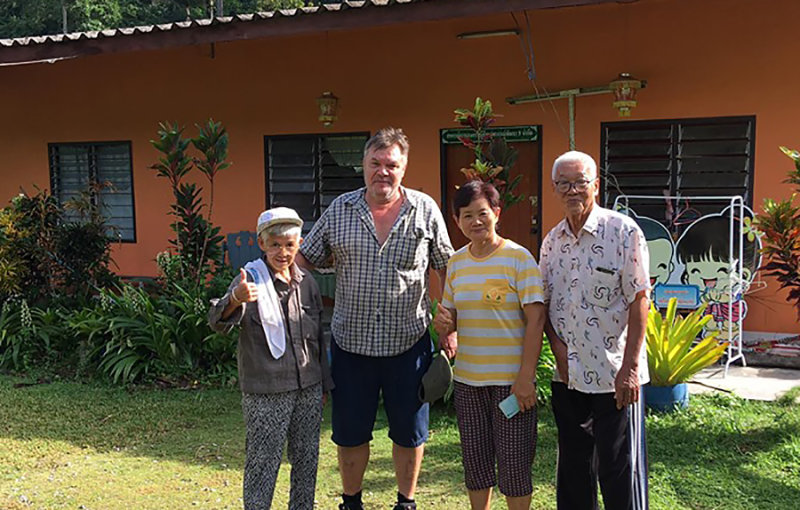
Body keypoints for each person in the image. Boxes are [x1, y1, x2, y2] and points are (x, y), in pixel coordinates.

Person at [297, 127, 454, 510]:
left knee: (410, 433)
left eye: (392, 165)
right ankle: (351, 502)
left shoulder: (424, 209)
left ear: (404, 168)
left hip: (409, 344)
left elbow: (448, 268)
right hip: (351, 346)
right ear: (363, 165)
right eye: (375, 163)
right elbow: (305, 258)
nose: (383, 171)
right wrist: (285, 298)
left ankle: (406, 502)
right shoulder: (341, 209)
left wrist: (452, 326)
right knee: (350, 434)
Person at [539, 151, 650, 510]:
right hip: (567, 374)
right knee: (573, 467)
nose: (572, 190)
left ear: (596, 186)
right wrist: (558, 353)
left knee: (618, 468)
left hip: (613, 374)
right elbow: (544, 305)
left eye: (580, 182)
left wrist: (630, 369)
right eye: (563, 184)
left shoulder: (623, 231)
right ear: (555, 189)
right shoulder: (551, 242)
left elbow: (639, 300)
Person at [208, 207, 332, 510]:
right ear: (261, 244)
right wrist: (235, 299)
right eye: (275, 244)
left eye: (289, 245)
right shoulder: (250, 279)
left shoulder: (307, 284)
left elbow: (318, 336)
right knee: (263, 463)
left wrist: (324, 385)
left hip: (308, 387)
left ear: (299, 245)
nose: (282, 252)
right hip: (266, 390)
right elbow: (216, 321)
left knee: (307, 460)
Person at [433, 181, 545, 510]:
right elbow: (451, 317)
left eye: (483, 213)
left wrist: (525, 377)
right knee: (476, 465)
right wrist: (444, 325)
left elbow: (536, 319)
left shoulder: (518, 258)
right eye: (467, 216)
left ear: (497, 213)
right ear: (457, 221)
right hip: (469, 381)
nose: (476, 221)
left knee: (514, 467)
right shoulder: (456, 263)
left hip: (511, 384)